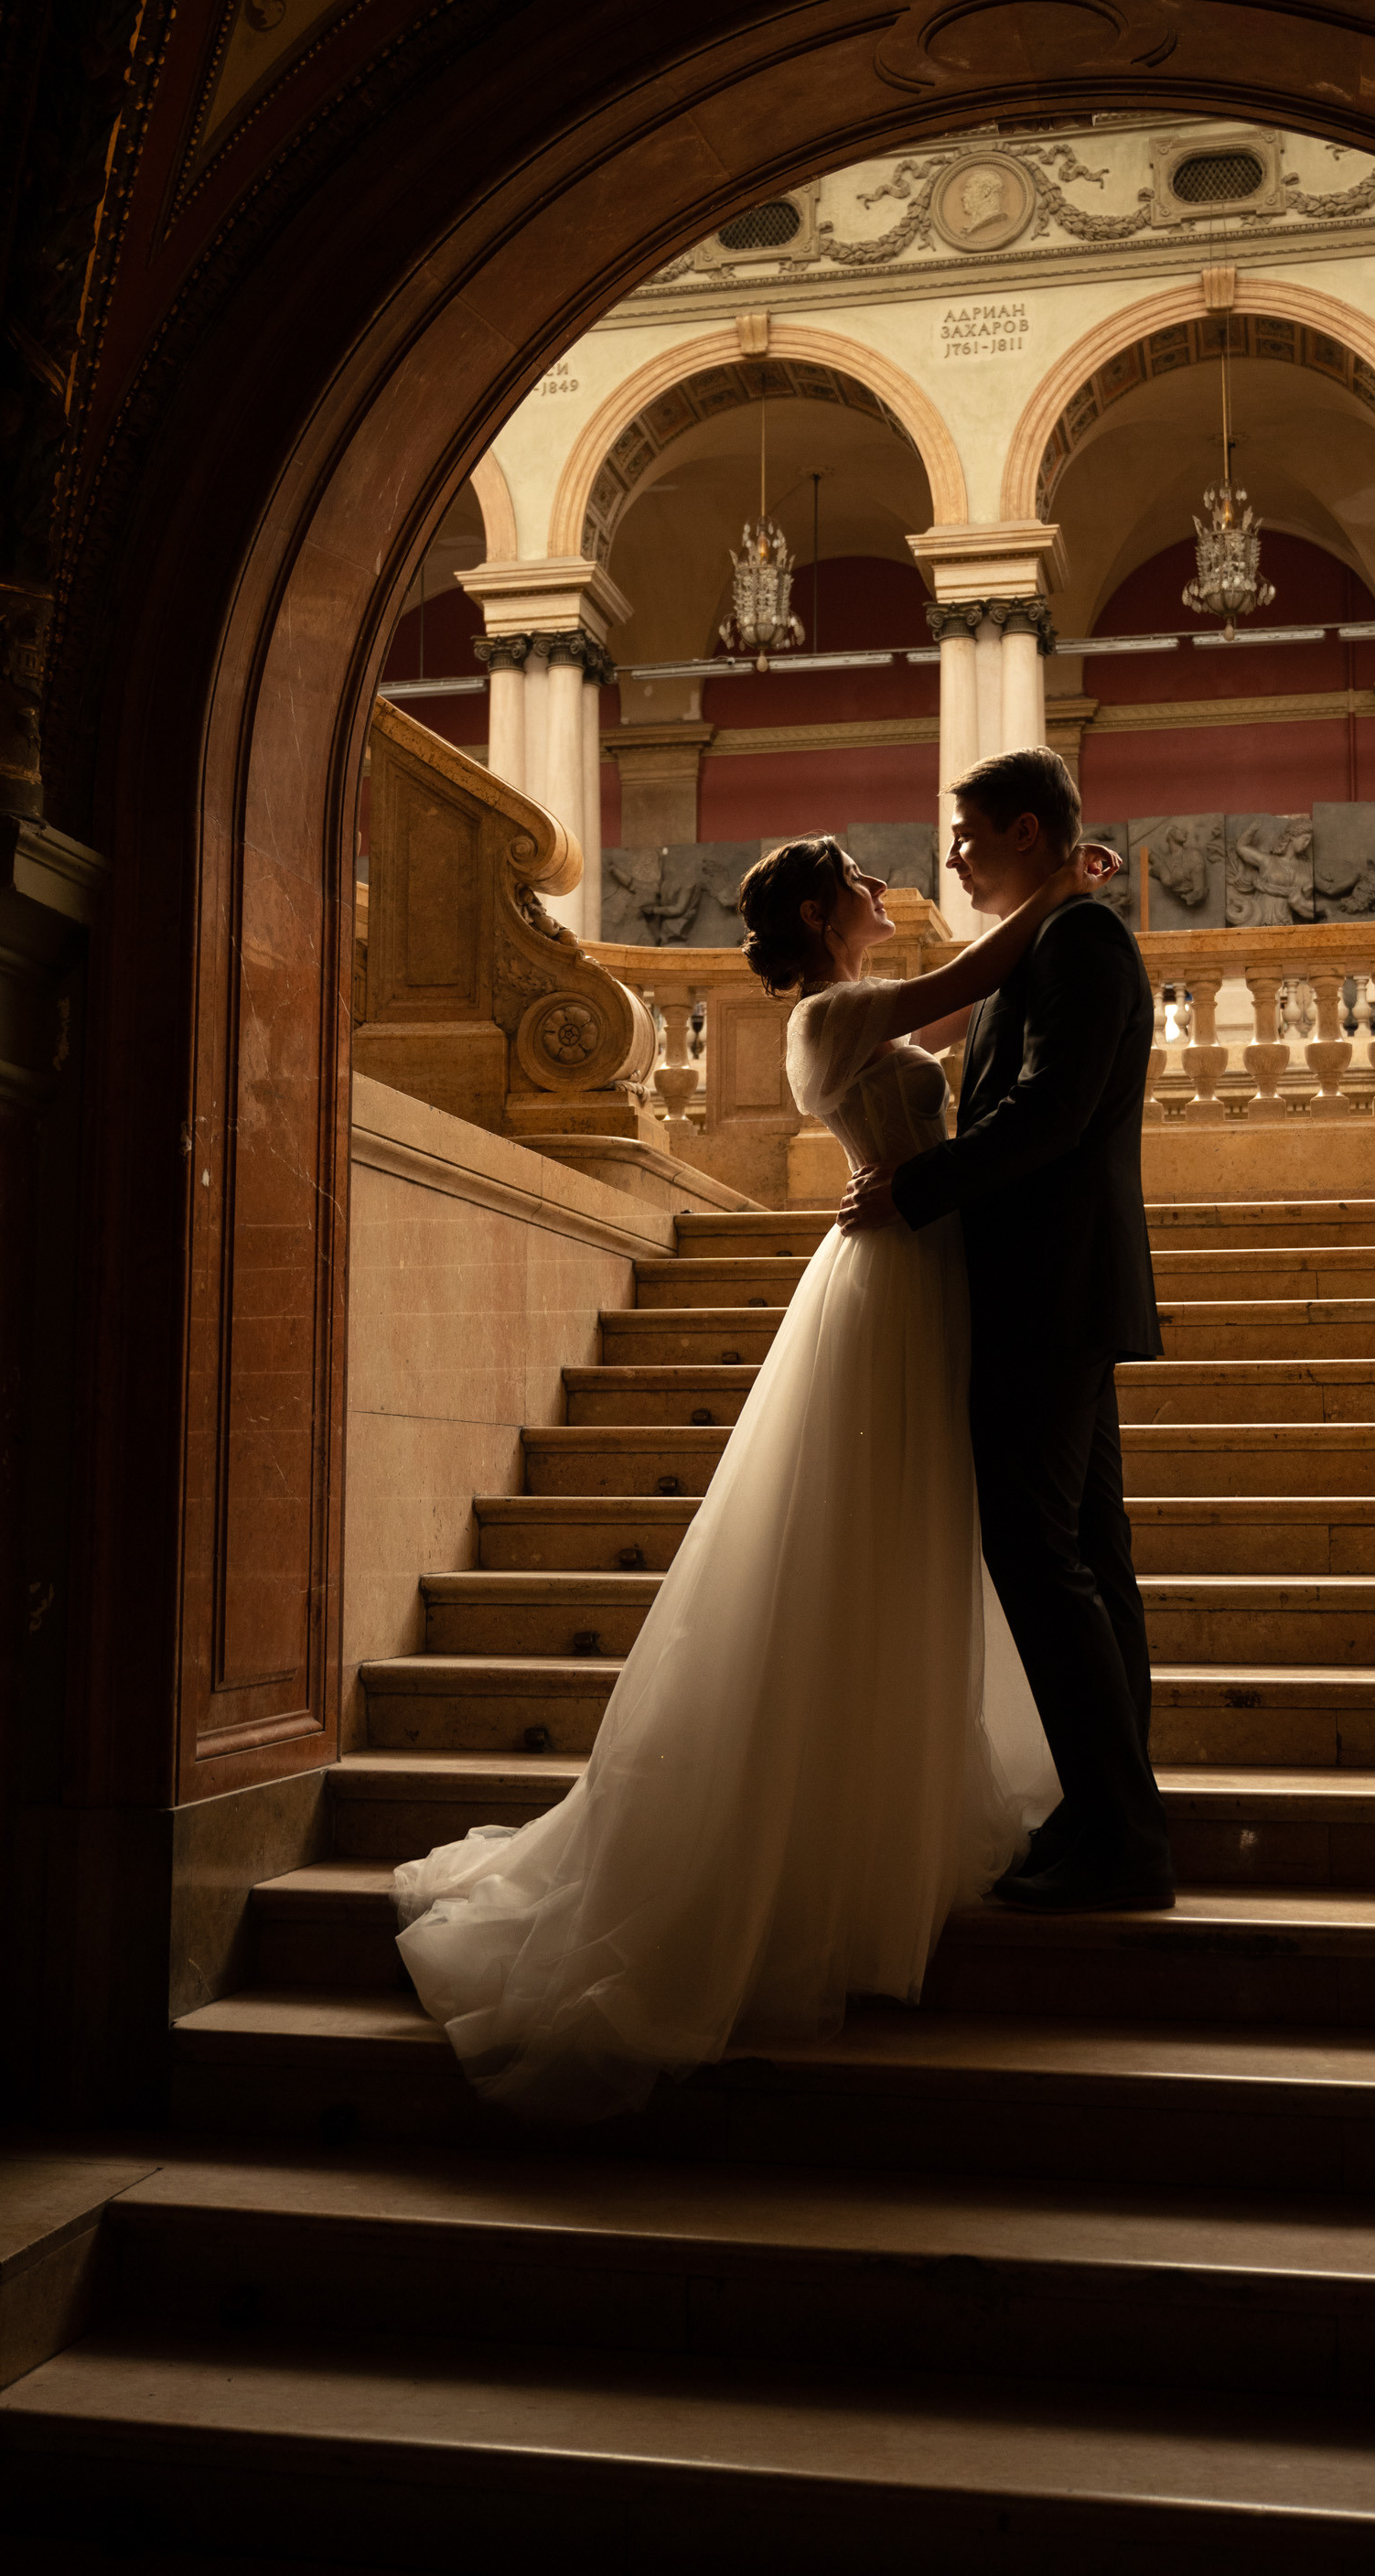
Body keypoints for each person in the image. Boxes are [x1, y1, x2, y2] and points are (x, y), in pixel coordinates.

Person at [392, 825, 1113, 2123]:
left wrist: (1057, 918)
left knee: (915, 1541)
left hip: (923, 1272)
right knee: (861, 1540)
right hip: (893, 1285)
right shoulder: (833, 1019)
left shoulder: (861, 1019)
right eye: (859, 882)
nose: (883, 888)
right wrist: (1060, 891)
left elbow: (966, 1021)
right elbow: (961, 989)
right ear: (823, 915)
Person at [841, 747, 1174, 1914]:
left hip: (1048, 1291)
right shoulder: (1051, 937)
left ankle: (1120, 1837)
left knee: (1041, 1558)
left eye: (969, 833)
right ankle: (1110, 1811)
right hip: (1056, 1288)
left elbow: (1052, 1111)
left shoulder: (1079, 941)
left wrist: (914, 1189)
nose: (951, 855)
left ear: (1027, 830)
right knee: (1087, 1555)